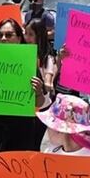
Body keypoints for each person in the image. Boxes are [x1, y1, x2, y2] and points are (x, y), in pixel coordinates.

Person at [0, 19, 47, 155]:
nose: (3, 39)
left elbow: (40, 103)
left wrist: (38, 91)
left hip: (21, 127)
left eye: (8, 35)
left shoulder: (28, 63)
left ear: (19, 38)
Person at [25, 17, 58, 148]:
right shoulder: (19, 54)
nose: (27, 37)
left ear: (39, 36)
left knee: (34, 143)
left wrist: (46, 84)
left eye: (31, 34)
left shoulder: (47, 58)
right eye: (25, 33)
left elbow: (49, 82)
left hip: (42, 107)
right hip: (24, 105)